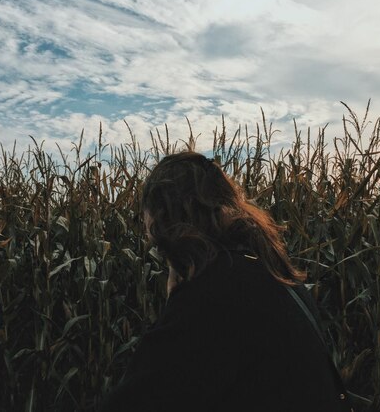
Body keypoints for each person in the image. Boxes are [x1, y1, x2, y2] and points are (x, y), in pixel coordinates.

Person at [100, 151, 352, 412]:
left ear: (164, 219)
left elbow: (137, 397)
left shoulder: (211, 296)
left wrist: (177, 301)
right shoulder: (274, 275)